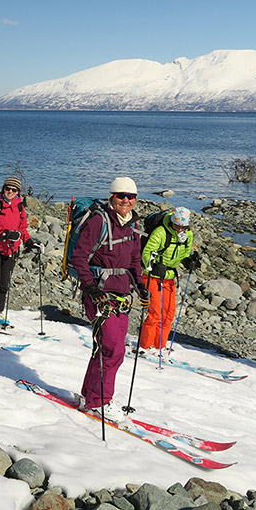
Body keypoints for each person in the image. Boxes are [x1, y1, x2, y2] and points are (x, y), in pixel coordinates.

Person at [69, 176, 148, 422]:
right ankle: (100, 402)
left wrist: (142, 286)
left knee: (105, 349)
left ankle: (89, 396)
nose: (126, 200)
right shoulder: (98, 221)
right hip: (100, 295)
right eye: (121, 195)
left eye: (131, 196)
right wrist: (90, 287)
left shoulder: (134, 226)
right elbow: (79, 257)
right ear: (112, 197)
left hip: (122, 296)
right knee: (113, 350)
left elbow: (135, 261)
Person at [0, 176, 41, 329]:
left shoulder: (19, 207)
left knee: (3, 284)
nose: (10, 192)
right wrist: (3, 235)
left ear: (18, 192)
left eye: (14, 190)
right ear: (3, 189)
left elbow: (22, 229)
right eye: (8, 189)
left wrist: (29, 242)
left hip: (11, 251)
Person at [139, 207, 198, 350]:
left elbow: (184, 254)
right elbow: (146, 253)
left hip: (169, 277)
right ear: (172, 222)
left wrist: (189, 262)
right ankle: (145, 346)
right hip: (152, 277)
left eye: (183, 227)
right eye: (177, 226)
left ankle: (160, 347)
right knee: (155, 314)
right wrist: (154, 265)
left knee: (169, 314)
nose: (179, 230)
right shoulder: (160, 232)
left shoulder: (187, 234)